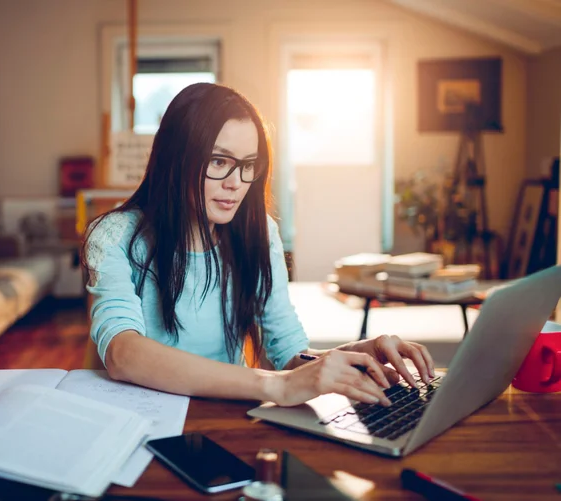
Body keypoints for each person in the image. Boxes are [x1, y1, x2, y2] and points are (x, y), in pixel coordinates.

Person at [83, 82, 434, 408]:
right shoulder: (115, 235)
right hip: (140, 413)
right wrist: (276, 386)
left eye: (248, 165)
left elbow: (289, 351)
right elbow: (123, 354)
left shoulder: (259, 232)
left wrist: (360, 356)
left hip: (224, 414)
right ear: (176, 159)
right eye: (219, 161)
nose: (236, 182)